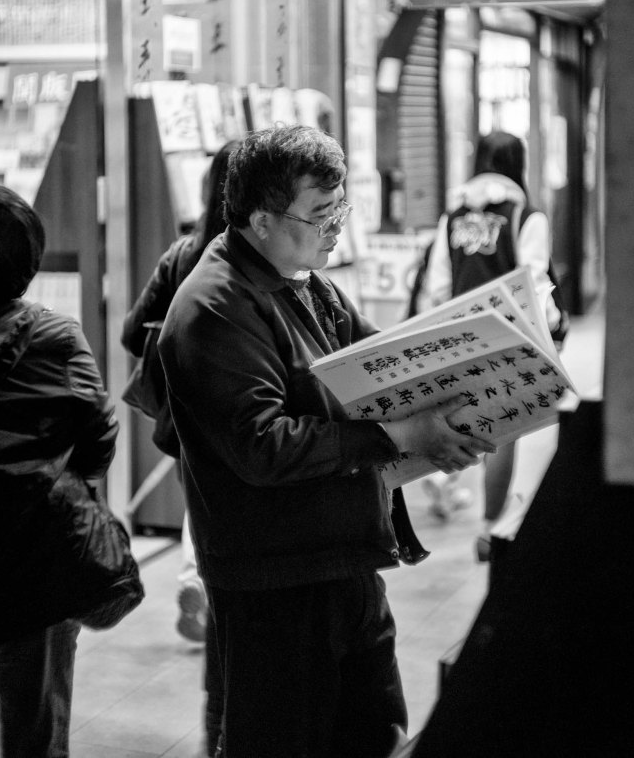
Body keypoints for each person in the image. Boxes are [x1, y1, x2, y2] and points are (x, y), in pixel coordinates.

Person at [158, 124, 495, 758]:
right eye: (320, 214)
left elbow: (384, 367)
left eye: (341, 209)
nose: (336, 227)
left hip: (343, 557)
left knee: (372, 735)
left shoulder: (306, 281)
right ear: (261, 219)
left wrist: (462, 401)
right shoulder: (214, 306)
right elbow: (265, 445)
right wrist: (402, 434)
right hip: (276, 581)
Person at [0, 184, 118, 758]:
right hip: (33, 556)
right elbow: (98, 429)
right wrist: (67, 486)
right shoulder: (55, 335)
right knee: (34, 724)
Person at [121, 140, 238, 754]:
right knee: (221, 509)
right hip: (241, 417)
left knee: (200, 500)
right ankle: (203, 580)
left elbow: (129, 332)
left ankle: (196, 575)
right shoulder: (258, 266)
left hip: (182, 413)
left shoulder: (184, 254)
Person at [412, 130, 563, 555]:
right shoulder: (527, 216)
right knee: (503, 430)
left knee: (456, 416)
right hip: (507, 340)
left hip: (457, 336)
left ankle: (442, 482)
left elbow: (438, 286)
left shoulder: (453, 215)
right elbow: (534, 285)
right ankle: (488, 529)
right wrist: (552, 326)